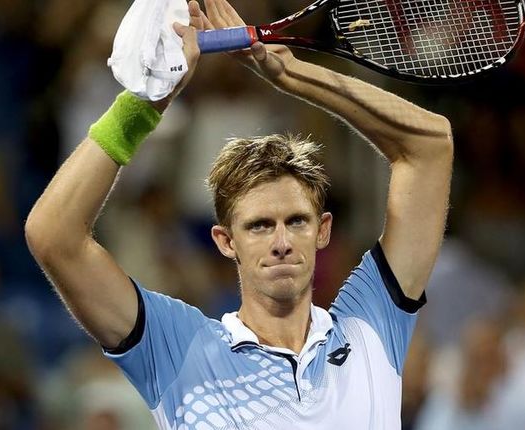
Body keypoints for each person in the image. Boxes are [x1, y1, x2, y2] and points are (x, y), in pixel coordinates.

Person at [25, 0, 453, 428]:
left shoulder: (370, 326)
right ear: (226, 240)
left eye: (297, 221)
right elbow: (53, 236)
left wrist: (290, 74)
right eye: (259, 226)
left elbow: (431, 145)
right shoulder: (180, 349)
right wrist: (144, 105)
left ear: (323, 230)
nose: (281, 243)